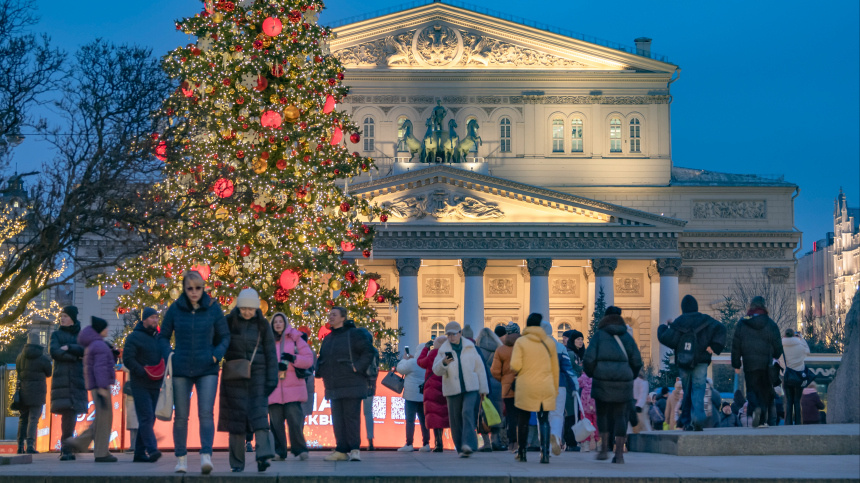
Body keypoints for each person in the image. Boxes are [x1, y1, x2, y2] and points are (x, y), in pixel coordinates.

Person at [158, 270, 231, 474]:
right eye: (190, 288)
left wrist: (215, 356)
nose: (194, 292)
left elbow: (225, 337)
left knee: (206, 413)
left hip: (207, 367)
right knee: (180, 416)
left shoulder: (213, 308)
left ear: (203, 288)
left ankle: (206, 456)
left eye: (198, 288)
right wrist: (169, 356)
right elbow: (163, 336)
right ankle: (181, 459)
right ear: (184, 288)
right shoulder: (175, 309)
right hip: (181, 368)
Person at [218, 289, 277, 472]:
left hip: (257, 377)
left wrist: (271, 379)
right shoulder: (228, 322)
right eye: (244, 308)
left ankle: (263, 456)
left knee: (260, 418)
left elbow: (270, 353)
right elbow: (220, 343)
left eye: (250, 309)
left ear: (256, 308)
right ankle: (236, 464)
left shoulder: (263, 325)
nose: (247, 312)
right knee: (236, 422)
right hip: (233, 378)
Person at [583, 306, 643, 464]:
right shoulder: (627, 338)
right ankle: (619, 454)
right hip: (623, 382)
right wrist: (630, 376)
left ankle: (603, 449)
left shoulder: (599, 336)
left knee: (602, 414)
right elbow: (637, 361)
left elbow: (588, 360)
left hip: (602, 381)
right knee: (620, 416)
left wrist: (593, 373)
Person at [657, 295, 726, 431]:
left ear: (683, 308)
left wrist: (664, 327)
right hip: (701, 361)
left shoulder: (679, 322)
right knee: (699, 389)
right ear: (696, 306)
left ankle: (687, 421)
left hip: (684, 361)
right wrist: (714, 347)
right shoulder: (705, 320)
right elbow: (721, 329)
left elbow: (666, 338)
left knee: (687, 391)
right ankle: (698, 418)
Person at [316, 307, 375, 462]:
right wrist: (320, 370)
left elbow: (369, 352)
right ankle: (341, 449)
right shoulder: (328, 338)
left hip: (352, 383)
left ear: (343, 318)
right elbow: (323, 358)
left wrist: (357, 367)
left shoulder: (354, 334)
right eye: (330, 314)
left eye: (334, 314)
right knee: (338, 419)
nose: (331, 317)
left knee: (351, 417)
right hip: (334, 385)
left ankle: (355, 449)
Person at [432, 321, 489, 458]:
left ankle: (469, 444)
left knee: (467, 412)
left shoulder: (469, 347)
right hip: (452, 389)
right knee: (455, 419)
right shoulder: (444, 350)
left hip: (471, 387)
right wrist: (444, 362)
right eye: (449, 334)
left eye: (454, 334)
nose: (451, 337)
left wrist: (483, 389)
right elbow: (436, 371)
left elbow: (479, 368)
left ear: (460, 333)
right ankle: (460, 447)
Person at [65, 317, 117, 462]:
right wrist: (102, 387)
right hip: (101, 386)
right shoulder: (99, 346)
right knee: (104, 420)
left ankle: (81, 443)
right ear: (100, 330)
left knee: (101, 420)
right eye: (105, 328)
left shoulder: (94, 345)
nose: (107, 330)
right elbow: (99, 368)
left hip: (97, 386)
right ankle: (99, 452)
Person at [510, 313, 559, 464]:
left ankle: (522, 453)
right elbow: (555, 369)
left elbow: (515, 365)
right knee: (544, 419)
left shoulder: (521, 342)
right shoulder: (549, 343)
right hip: (545, 386)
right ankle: (544, 454)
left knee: (523, 420)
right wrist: (555, 389)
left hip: (526, 386)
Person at [730, 296, 783, 428]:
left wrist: (736, 363)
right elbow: (778, 347)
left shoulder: (743, 323)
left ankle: (756, 410)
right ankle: (762, 421)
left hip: (749, 363)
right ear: (764, 306)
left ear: (751, 306)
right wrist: (774, 356)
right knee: (764, 391)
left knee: (752, 390)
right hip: (766, 364)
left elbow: (736, 345)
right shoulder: (771, 324)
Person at [269, 312, 314, 462]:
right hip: (273, 388)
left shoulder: (295, 338)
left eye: (280, 321)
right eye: (275, 322)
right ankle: (279, 451)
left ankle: (300, 449)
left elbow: (308, 359)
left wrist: (292, 358)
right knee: (275, 423)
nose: (278, 324)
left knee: (295, 421)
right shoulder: (267, 340)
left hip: (293, 388)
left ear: (285, 323)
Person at [122, 308, 164, 463]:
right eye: (152, 317)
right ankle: (152, 449)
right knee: (146, 416)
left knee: (150, 418)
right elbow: (128, 358)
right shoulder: (134, 337)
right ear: (144, 319)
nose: (155, 320)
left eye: (157, 318)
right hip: (140, 383)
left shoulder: (158, 338)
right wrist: (141, 371)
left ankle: (139, 453)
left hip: (155, 383)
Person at [50, 306, 88, 461]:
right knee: (67, 414)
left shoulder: (81, 335)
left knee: (71, 415)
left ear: (72, 318)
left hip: (77, 380)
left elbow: (86, 351)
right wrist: (74, 356)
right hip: (62, 381)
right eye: (61, 316)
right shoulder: (56, 334)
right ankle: (66, 448)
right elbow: (55, 352)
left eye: (65, 316)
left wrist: (70, 348)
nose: (62, 319)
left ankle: (68, 447)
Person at [540, 319, 573, 457]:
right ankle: (555, 437)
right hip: (559, 385)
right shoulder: (560, 347)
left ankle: (544, 447)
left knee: (541, 417)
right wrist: (575, 386)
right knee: (557, 414)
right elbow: (568, 368)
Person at [15, 331, 52, 454]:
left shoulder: (20, 357)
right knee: (33, 419)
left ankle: (20, 446)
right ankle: (30, 446)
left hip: (23, 392)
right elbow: (49, 373)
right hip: (38, 393)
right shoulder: (43, 358)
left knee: (23, 419)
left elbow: (18, 371)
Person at [491, 322, 520, 453]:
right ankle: (522, 443)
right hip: (524, 386)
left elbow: (495, 371)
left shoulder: (501, 349)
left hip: (507, 388)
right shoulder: (524, 347)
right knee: (523, 416)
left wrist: (504, 380)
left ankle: (512, 443)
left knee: (510, 416)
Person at [475, 327, 504, 451]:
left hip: (483, 384)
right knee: (496, 412)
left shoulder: (477, 350)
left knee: (483, 412)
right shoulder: (499, 349)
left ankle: (486, 443)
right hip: (498, 384)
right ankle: (496, 441)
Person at [418, 336, 449, 452]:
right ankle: (443, 441)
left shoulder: (433, 353)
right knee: (443, 413)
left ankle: (438, 443)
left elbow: (420, 362)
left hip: (431, 387)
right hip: (445, 386)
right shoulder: (448, 354)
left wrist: (425, 349)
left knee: (434, 414)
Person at [396, 345, 430, 452]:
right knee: (423, 420)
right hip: (423, 395)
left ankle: (409, 443)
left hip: (410, 396)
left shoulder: (412, 362)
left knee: (410, 420)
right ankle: (426, 443)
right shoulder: (427, 363)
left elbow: (400, 369)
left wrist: (404, 359)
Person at [781, 328, 810, 425]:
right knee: (797, 400)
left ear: (784, 335)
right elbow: (808, 351)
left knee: (789, 400)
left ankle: (788, 422)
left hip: (787, 376)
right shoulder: (800, 345)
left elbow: (778, 360)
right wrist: (801, 338)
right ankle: (798, 422)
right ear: (794, 335)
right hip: (798, 376)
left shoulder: (781, 346)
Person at [562, 329, 585, 451]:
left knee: (573, 415)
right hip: (571, 388)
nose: (580, 342)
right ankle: (571, 442)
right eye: (578, 339)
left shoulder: (575, 353)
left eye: (581, 339)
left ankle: (571, 441)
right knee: (571, 415)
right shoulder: (571, 354)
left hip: (574, 387)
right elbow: (572, 370)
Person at [299, 331, 317, 430]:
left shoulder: (293, 352)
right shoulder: (311, 353)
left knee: (297, 417)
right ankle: (299, 441)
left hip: (300, 388)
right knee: (301, 417)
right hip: (307, 387)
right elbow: (315, 368)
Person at [578, 373, 598, 451]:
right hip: (596, 404)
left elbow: (577, 384)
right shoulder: (598, 375)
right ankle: (598, 443)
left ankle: (586, 444)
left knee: (586, 424)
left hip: (585, 405)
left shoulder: (583, 377)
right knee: (597, 424)